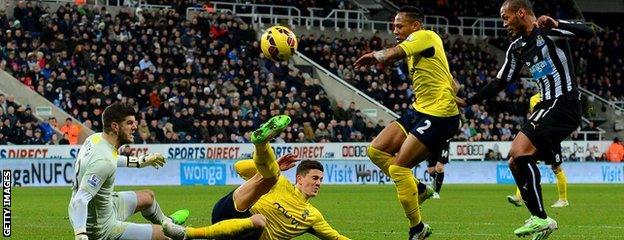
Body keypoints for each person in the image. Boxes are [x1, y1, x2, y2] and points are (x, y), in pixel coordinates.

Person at [462, 0, 595, 238]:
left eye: (506, 17)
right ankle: (541, 219)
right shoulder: (517, 47)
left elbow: (590, 31)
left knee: (518, 151)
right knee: (516, 161)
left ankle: (540, 218)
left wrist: (558, 22)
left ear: (521, 13)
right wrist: (469, 101)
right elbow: (501, 82)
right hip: (546, 106)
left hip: (563, 102)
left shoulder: (549, 31)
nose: (504, 24)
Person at [354, 6, 461, 239]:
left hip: (440, 115)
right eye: (393, 26)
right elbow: (453, 83)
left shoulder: (425, 36)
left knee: (398, 168)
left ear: (415, 26)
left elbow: (393, 53)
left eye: (399, 25)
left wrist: (376, 55)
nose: (395, 30)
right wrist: (457, 94)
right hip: (419, 110)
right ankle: (420, 188)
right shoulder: (419, 52)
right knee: (375, 151)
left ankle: (417, 228)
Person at [163, 115, 349, 240]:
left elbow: (336, 237)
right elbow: (239, 167)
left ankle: (185, 232)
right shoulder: (281, 184)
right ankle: (261, 143)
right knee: (271, 178)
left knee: (259, 219)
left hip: (249, 235)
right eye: (315, 178)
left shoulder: (313, 216)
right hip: (231, 210)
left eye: (321, 180)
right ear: (299, 179)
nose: (318, 183)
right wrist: (275, 165)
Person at [68, 102, 190, 240]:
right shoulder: (103, 162)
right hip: (100, 227)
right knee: (167, 237)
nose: (135, 127)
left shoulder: (95, 138)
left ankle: (168, 222)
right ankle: (175, 231)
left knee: (148, 197)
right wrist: (81, 235)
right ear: (115, 126)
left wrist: (139, 161)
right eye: (130, 123)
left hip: (105, 206)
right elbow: (80, 199)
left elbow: (111, 159)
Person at [507, 93, 570, 208]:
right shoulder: (534, 98)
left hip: (552, 137)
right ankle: (519, 196)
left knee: (556, 167)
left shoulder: (557, 96)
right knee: (525, 162)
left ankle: (563, 199)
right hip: (538, 136)